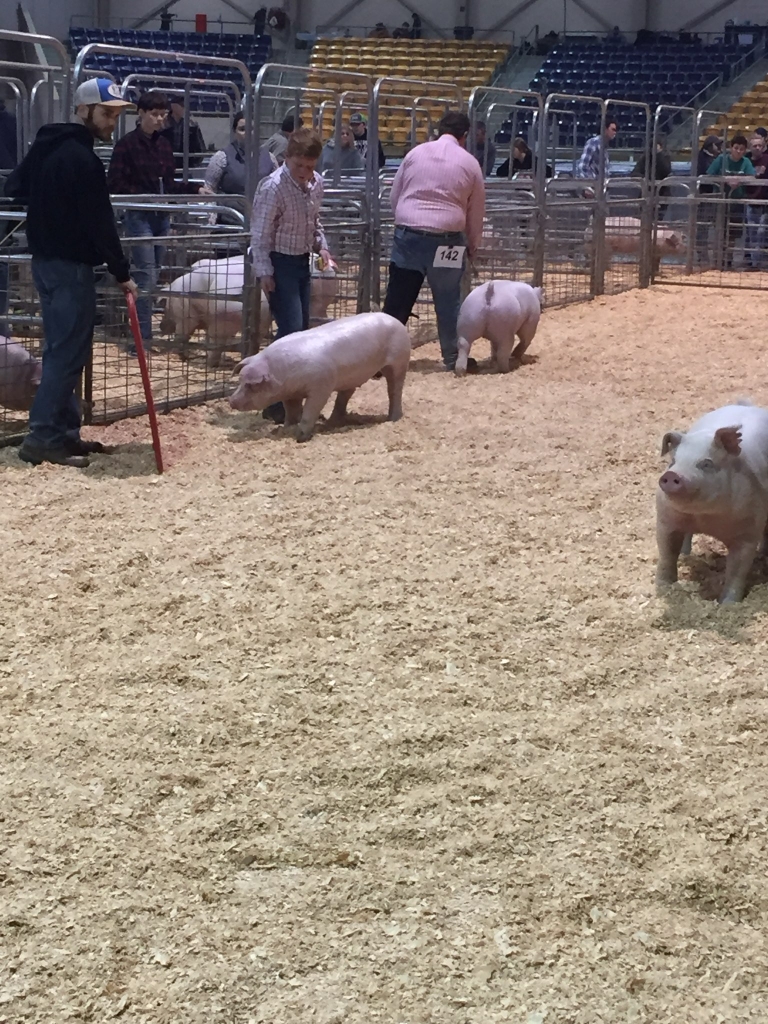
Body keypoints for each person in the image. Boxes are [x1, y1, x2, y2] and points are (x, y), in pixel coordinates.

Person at [3, 78, 136, 468]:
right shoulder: (82, 159)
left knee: (64, 351)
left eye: (114, 114)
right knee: (65, 354)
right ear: (83, 110)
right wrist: (121, 269)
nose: (112, 121)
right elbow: (100, 221)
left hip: (45, 262)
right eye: (106, 113)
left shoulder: (48, 147)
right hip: (70, 267)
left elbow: (15, 186)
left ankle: (64, 433)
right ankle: (43, 436)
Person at [382, 111, 485, 373]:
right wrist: (473, 245)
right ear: (465, 135)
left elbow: (396, 195)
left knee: (398, 300)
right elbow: (475, 212)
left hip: (409, 235)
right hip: (447, 241)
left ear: (440, 130)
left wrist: (406, 224)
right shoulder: (470, 162)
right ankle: (453, 357)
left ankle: (378, 361)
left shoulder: (415, 154)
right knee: (448, 299)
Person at [107, 90, 202, 351]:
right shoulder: (126, 145)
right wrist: (145, 195)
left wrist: (193, 189)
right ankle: (142, 338)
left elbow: (169, 184)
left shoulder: (164, 145)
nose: (160, 119)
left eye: (163, 114)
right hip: (139, 215)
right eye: (155, 114)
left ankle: (140, 335)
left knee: (152, 274)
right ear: (141, 114)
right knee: (146, 276)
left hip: (160, 215)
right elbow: (115, 183)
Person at [250, 127, 333, 422]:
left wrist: (322, 247)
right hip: (279, 263)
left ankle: (286, 401)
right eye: (299, 165)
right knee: (291, 333)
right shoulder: (272, 187)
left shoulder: (316, 184)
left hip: (301, 262)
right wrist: (264, 271)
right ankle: (275, 403)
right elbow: (260, 233)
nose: (305, 172)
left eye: (310, 167)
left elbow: (315, 222)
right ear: (287, 158)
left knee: (298, 331)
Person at [706, 134, 755, 270]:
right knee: (719, 231)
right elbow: (709, 175)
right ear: (730, 148)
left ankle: (728, 260)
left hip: (737, 203)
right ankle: (717, 260)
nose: (738, 151)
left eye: (741, 149)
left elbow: (752, 177)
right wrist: (725, 180)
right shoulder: (721, 159)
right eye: (736, 148)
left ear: (745, 150)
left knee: (733, 233)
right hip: (720, 202)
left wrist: (740, 181)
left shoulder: (745, 162)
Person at [202, 111, 276, 196]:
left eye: (251, 129)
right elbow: (208, 189)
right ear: (234, 132)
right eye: (242, 129)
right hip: (232, 208)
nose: (247, 133)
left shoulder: (270, 158)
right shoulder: (221, 157)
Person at [161, 97, 206, 170]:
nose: (184, 108)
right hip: (165, 167)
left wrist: (192, 163)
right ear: (173, 106)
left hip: (186, 168)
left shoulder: (192, 125)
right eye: (182, 105)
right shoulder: (162, 124)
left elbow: (200, 148)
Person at [744, 134, 768, 270]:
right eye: (755, 146)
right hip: (750, 201)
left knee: (761, 233)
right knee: (752, 233)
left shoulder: (767, 159)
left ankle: (758, 262)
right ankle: (754, 263)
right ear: (750, 147)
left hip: (764, 202)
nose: (758, 148)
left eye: (760, 145)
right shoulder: (746, 160)